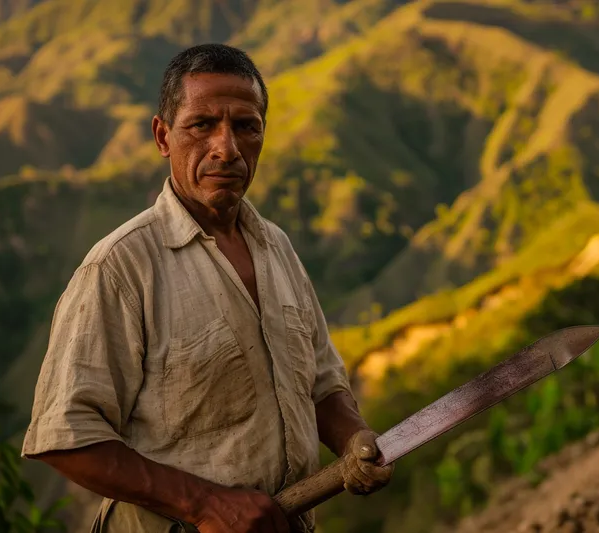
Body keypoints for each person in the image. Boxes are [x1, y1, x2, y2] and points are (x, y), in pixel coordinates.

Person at [21, 43, 394, 533]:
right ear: (162, 136)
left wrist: (354, 440)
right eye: (202, 125)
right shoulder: (120, 267)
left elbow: (321, 384)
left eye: (246, 126)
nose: (227, 148)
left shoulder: (276, 247)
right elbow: (65, 436)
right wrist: (203, 504)